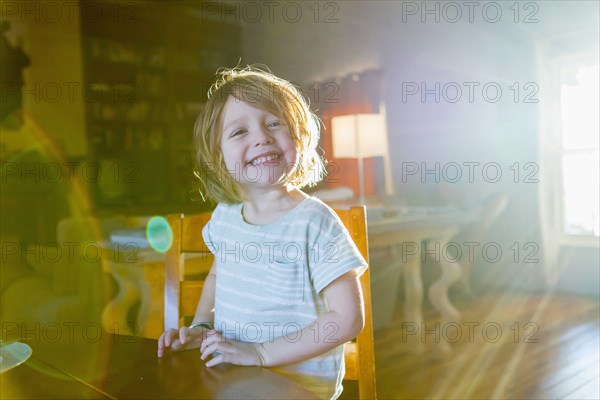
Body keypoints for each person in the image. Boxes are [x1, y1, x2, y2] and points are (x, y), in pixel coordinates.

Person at [157, 66, 368, 399]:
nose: (261, 137)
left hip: (298, 389)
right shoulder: (225, 216)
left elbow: (346, 318)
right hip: (231, 380)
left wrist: (261, 354)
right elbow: (217, 277)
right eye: (239, 132)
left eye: (273, 123)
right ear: (218, 156)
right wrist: (202, 327)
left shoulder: (315, 222)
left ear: (299, 135)